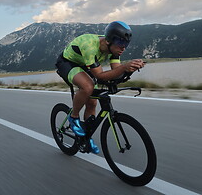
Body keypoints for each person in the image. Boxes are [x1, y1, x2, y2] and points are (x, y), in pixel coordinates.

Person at [55, 21, 144, 154]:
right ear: (109, 41)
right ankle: (73, 117)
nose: (123, 48)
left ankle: (85, 136)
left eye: (126, 44)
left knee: (92, 102)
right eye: (121, 43)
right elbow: (101, 76)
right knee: (88, 86)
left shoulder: (115, 49)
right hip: (68, 63)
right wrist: (124, 67)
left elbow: (116, 71)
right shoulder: (90, 46)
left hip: (86, 65)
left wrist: (129, 69)